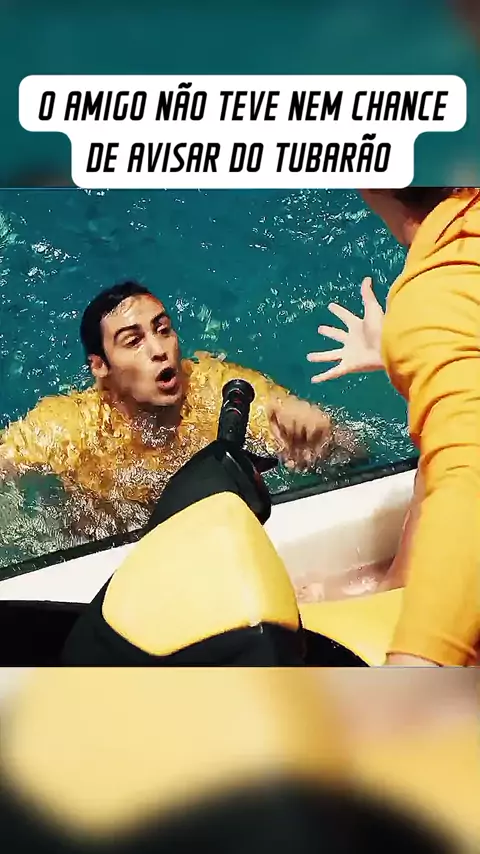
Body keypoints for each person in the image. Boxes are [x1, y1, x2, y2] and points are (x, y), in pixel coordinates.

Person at [0, 281, 358, 522]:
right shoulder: (70, 424)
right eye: (133, 341)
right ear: (100, 367)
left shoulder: (216, 387)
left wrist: (320, 438)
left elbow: (353, 454)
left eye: (163, 330)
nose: (159, 350)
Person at [307, 187, 480, 668]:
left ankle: (394, 588)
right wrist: (412, 355)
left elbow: (471, 477)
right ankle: (392, 583)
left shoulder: (437, 291)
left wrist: (419, 660)